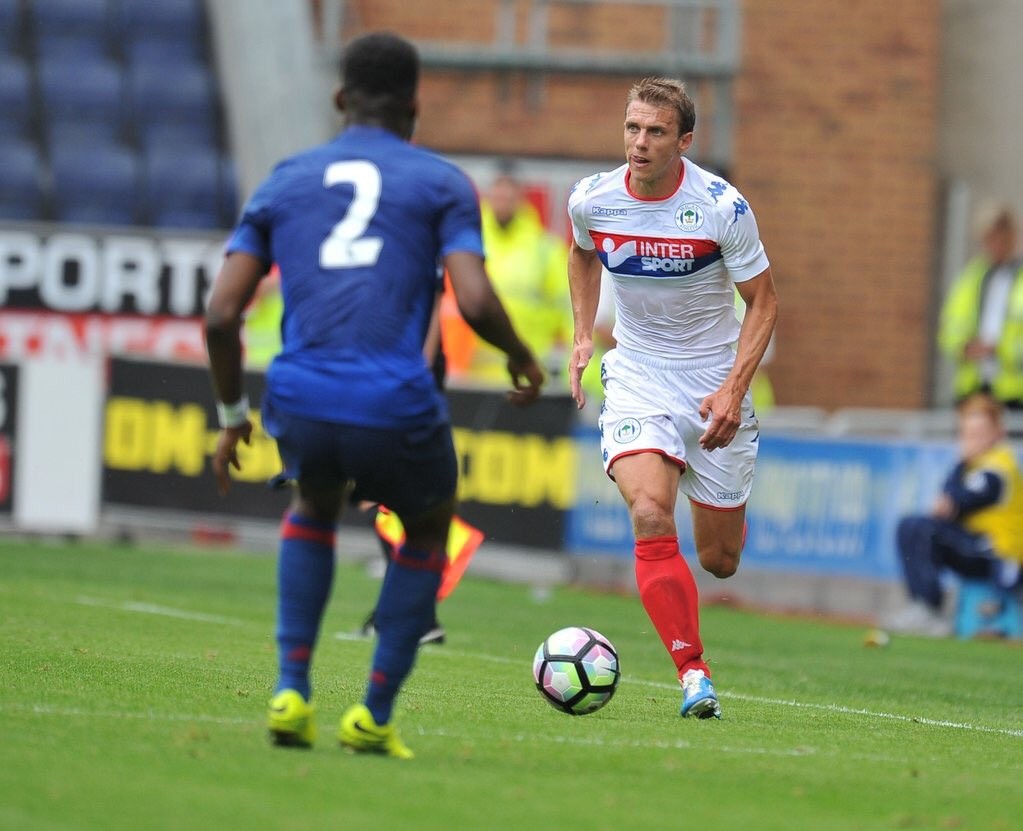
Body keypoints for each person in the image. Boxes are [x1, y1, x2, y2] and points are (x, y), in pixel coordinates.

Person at [204, 31, 544, 759]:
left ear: (339, 99)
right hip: (394, 397)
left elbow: (220, 313)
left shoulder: (287, 177)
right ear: (415, 105)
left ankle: (291, 688)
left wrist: (232, 417)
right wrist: (519, 356)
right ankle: (373, 713)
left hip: (300, 394)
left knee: (313, 503)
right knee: (426, 528)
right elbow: (476, 299)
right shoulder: (440, 182)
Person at [566, 77, 777, 719]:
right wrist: (581, 334)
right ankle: (693, 674)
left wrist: (733, 391)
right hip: (638, 374)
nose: (640, 142)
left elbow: (764, 302)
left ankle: (714, 510)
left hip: (713, 379)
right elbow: (581, 254)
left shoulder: (721, 207)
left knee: (719, 560)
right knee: (652, 514)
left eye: (656, 131)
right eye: (632, 128)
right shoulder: (593, 200)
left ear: (684, 140)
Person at [886, 393, 1023, 636]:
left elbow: (952, 505)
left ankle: (930, 609)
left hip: (1000, 556)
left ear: (997, 434)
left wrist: (959, 467)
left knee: (924, 528)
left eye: (979, 434)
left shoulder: (997, 467)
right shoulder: (973, 467)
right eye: (967, 434)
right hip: (979, 547)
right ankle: (921, 605)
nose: (972, 441)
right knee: (909, 525)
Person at [465, 164, 572, 387]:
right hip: (470, 377)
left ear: (521, 196)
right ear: (488, 194)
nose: (503, 196)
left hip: (528, 374)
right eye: (498, 188)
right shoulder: (469, 244)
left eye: (510, 189)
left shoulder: (546, 250)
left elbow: (570, 316)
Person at [938, 203, 1023, 409]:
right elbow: (949, 327)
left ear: (1012, 236)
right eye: (988, 238)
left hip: (1014, 392)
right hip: (973, 387)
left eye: (999, 237)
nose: (994, 245)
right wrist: (964, 346)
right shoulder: (970, 277)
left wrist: (1000, 350)